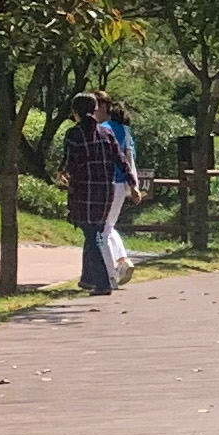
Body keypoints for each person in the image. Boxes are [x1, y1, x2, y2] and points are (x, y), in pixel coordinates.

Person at [60, 91, 131, 295]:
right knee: (94, 232)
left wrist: (62, 172)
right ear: (94, 109)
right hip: (106, 190)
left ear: (75, 112)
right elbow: (120, 159)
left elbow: (70, 161)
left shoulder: (74, 133)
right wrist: (131, 181)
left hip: (84, 190)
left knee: (92, 234)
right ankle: (87, 279)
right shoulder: (106, 133)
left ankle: (103, 282)